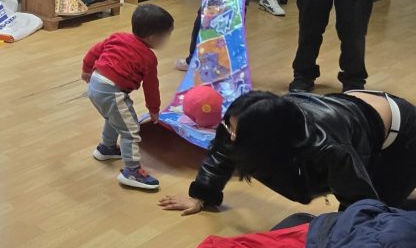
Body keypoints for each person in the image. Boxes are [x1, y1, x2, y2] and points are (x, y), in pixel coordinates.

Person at [157, 89, 416, 215]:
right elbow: (224, 149)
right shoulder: (256, 118)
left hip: (403, 132)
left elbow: (359, 204)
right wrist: (202, 196)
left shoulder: (327, 148)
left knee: (383, 212)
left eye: (236, 133)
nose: (230, 135)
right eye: (230, 128)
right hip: (354, 111)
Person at [81, 4, 174, 191]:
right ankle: (132, 171)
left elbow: (94, 51)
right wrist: (154, 109)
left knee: (115, 118)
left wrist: (86, 69)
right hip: (112, 91)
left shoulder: (118, 37)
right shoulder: (149, 58)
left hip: (96, 84)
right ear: (153, 37)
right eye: (166, 37)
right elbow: (151, 86)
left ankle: (106, 148)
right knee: (130, 130)